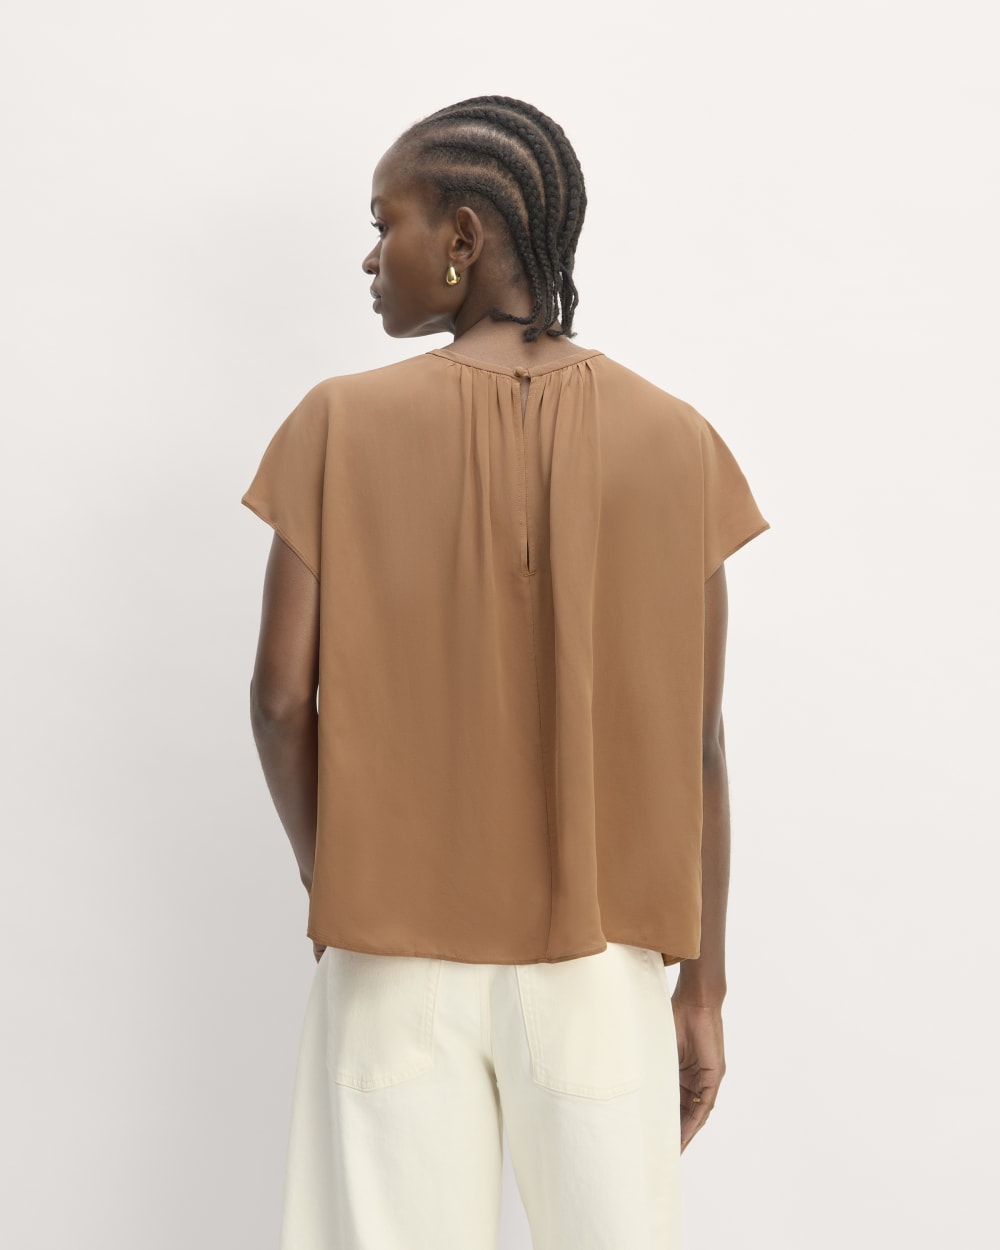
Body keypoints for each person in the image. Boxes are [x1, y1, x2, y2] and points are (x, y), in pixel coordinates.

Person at [242, 96, 769, 1250]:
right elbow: (699, 742)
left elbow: (280, 703)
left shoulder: (337, 423)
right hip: (599, 967)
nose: (371, 256)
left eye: (386, 222)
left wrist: (335, 876)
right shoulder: (677, 440)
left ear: (464, 237)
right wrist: (703, 988)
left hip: (393, 962)